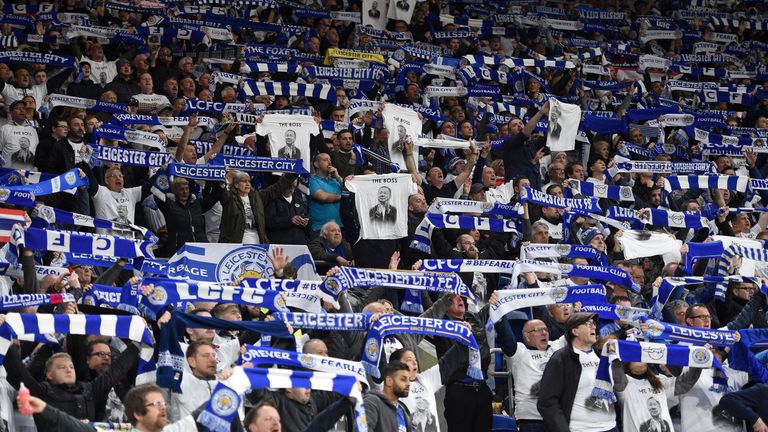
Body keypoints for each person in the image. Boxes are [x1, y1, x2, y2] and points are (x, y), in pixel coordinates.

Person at [537, 312, 618, 432]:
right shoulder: (561, 358)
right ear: (575, 331)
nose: (594, 327)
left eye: (594, 324)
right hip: (580, 429)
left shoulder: (603, 354)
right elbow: (547, 402)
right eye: (588, 324)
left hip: (611, 427)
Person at [218, 171, 296, 244]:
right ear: (236, 185)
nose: (247, 184)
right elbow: (220, 189)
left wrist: (294, 172)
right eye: (244, 181)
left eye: (249, 181)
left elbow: (278, 187)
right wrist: (221, 175)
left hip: (258, 243)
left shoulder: (258, 197)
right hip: (235, 244)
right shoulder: (229, 198)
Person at [364, 361, 412, 432]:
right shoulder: (372, 402)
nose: (408, 384)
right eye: (403, 379)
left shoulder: (403, 410)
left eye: (409, 380)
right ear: (389, 381)